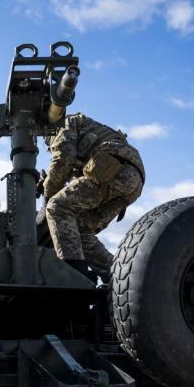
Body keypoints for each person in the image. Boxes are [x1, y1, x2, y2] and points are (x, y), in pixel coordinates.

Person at [41, 113, 145, 284]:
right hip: (131, 181)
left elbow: (63, 159)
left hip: (112, 168)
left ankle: (72, 277)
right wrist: (50, 181)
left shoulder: (65, 125)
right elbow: (79, 179)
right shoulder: (85, 129)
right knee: (77, 230)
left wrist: (48, 192)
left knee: (57, 206)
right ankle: (119, 279)